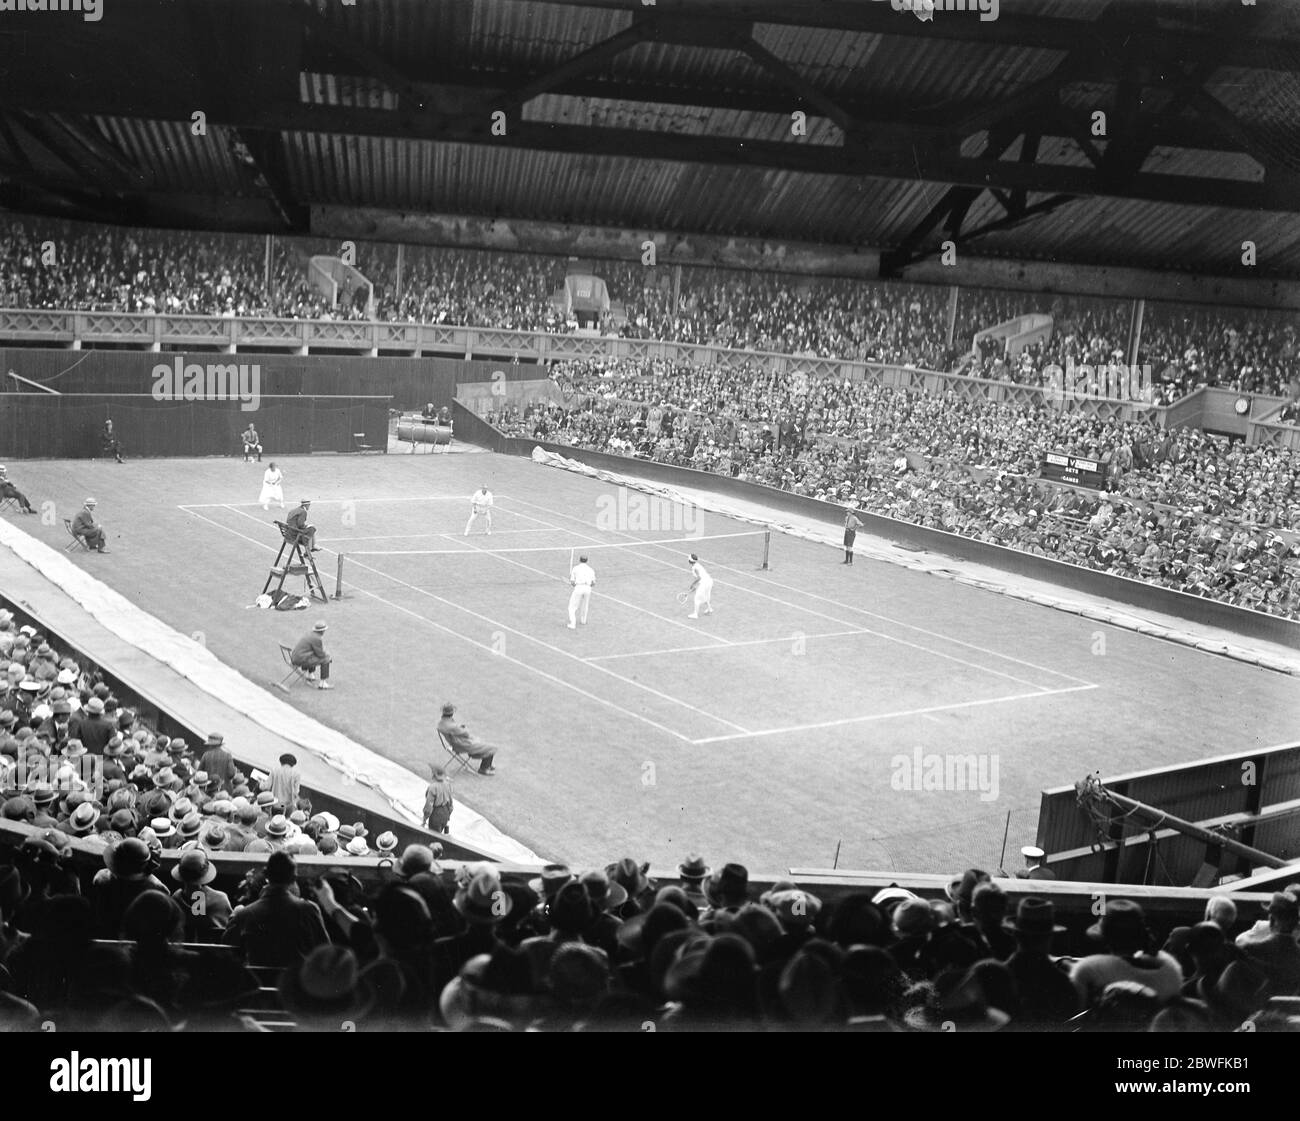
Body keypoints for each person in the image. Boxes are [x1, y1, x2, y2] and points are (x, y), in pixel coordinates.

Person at [437, 702, 497, 775]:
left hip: (455, 743)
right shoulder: (452, 726)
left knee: (481, 742)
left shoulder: (441, 723)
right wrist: (462, 728)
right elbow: (466, 734)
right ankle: (484, 768)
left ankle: (487, 764)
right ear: (452, 713)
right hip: (462, 745)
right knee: (492, 747)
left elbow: (456, 730)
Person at [291, 621, 332, 690]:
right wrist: (327, 654)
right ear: (322, 631)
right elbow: (320, 654)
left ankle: (310, 675)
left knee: (313, 656)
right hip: (300, 659)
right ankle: (322, 684)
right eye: (324, 630)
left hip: (296, 657)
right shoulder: (317, 639)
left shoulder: (310, 634)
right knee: (326, 659)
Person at [568, 554, 596, 629]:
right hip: (588, 588)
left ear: (580, 560)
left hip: (579, 587)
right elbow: (593, 583)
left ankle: (572, 624)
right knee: (585, 605)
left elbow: (572, 582)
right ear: (587, 561)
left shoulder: (575, 568)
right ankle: (583, 620)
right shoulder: (591, 569)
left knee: (572, 607)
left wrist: (575, 584)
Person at [423, 763, 454, 832]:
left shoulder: (433, 787)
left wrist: (424, 819)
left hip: (436, 814)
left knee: (433, 836)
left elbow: (429, 806)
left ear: (434, 774)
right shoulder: (448, 785)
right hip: (445, 813)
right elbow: (451, 804)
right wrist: (448, 816)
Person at [686, 553, 714, 620]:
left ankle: (695, 614)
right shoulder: (698, 565)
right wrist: (694, 587)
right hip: (710, 581)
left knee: (697, 599)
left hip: (704, 583)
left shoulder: (694, 568)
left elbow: (698, 578)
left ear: (690, 561)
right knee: (706, 596)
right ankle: (709, 609)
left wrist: (692, 584)